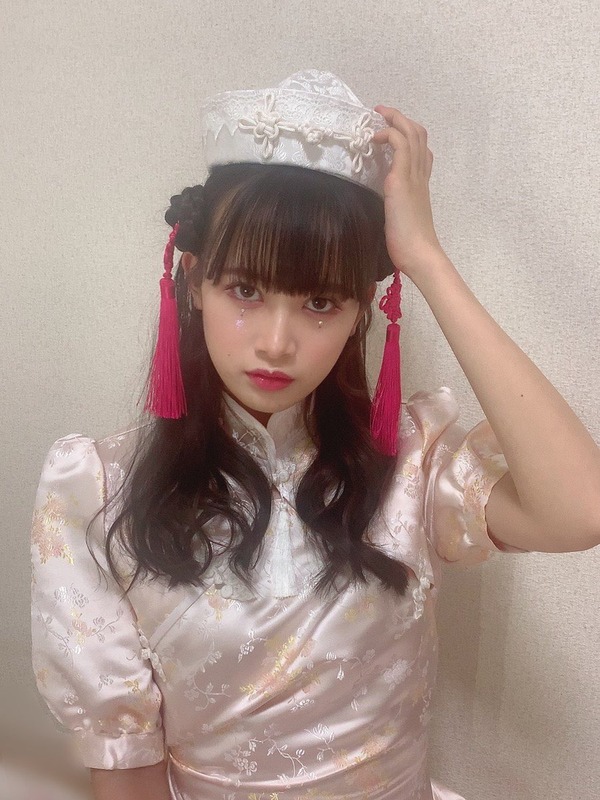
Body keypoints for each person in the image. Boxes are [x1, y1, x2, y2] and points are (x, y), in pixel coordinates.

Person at [30, 70, 600, 800]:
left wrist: (427, 260)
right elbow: (125, 761)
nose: (277, 342)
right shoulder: (98, 487)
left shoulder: (412, 464)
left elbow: (579, 510)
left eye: (321, 302)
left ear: (363, 308)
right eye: (245, 290)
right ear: (193, 280)